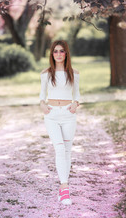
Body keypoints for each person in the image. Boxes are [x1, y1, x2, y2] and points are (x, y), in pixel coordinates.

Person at [39, 40, 80, 205]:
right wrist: (42, 105)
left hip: (68, 116)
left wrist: (75, 104)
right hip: (52, 116)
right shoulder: (46, 73)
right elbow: (42, 95)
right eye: (55, 51)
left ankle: (64, 185)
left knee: (67, 151)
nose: (58, 54)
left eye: (61, 51)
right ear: (52, 54)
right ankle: (64, 188)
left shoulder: (74, 73)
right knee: (59, 148)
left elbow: (77, 95)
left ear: (66, 53)